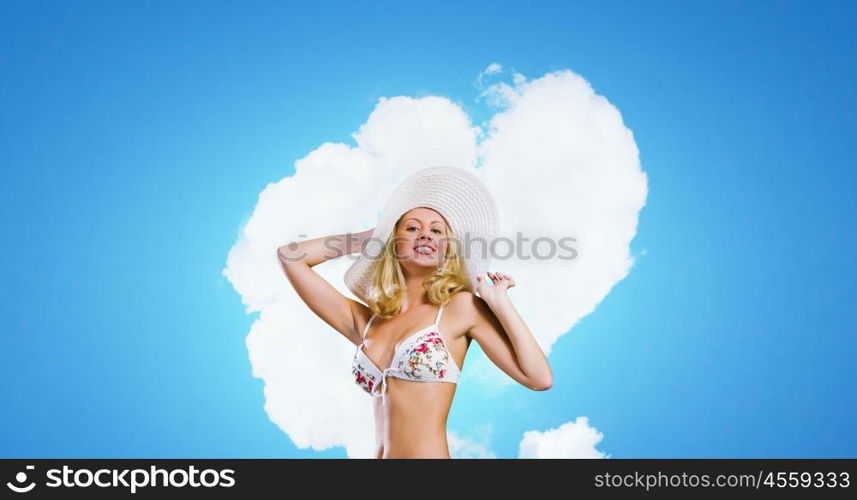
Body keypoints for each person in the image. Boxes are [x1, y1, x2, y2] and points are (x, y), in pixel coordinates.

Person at [277, 166, 553, 459]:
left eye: (437, 230)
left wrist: (500, 303)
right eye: (412, 228)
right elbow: (290, 257)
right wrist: (370, 237)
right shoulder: (367, 323)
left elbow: (539, 378)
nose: (425, 235)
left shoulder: (461, 308)